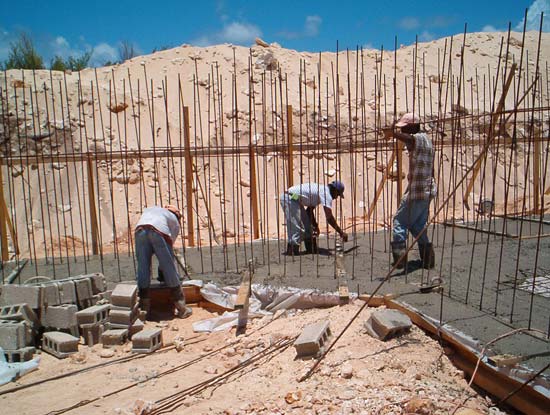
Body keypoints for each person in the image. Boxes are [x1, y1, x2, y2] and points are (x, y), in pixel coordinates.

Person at [383, 113, 436, 269]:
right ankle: (428, 260)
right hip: (427, 189)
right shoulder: (427, 140)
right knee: (417, 226)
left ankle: (400, 261)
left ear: (413, 126)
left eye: (405, 128)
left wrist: (393, 134)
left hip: (417, 190)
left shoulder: (418, 138)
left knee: (399, 222)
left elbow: (411, 140)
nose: (404, 131)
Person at [134, 205, 192, 319]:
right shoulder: (174, 220)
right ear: (177, 215)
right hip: (158, 231)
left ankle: (144, 309)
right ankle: (181, 308)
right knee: (169, 267)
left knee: (143, 267)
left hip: (140, 230)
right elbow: (167, 256)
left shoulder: (152, 209)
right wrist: (163, 271)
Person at [280, 181, 348, 255]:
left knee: (307, 226)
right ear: (335, 190)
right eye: (337, 194)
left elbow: (309, 211)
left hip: (295, 198)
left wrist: (315, 226)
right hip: (289, 197)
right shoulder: (326, 194)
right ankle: (292, 251)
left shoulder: (321, 191)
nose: (336, 198)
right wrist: (341, 232)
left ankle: (311, 248)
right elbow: (329, 217)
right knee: (297, 227)